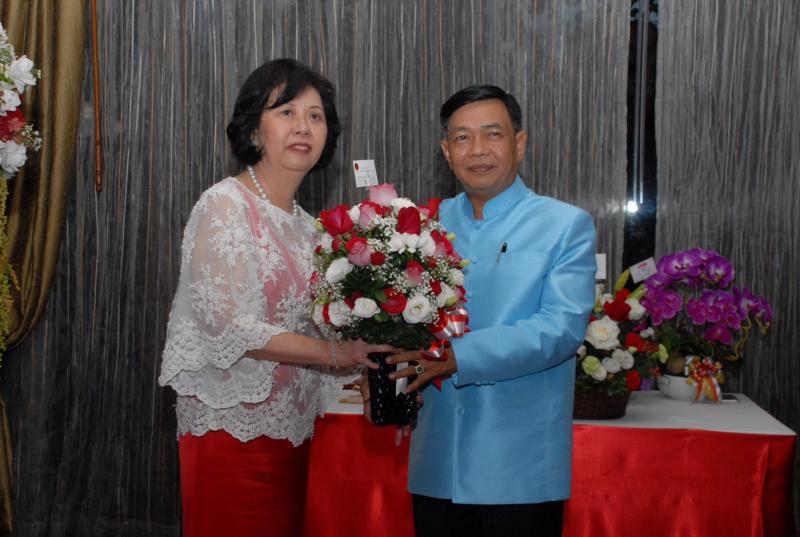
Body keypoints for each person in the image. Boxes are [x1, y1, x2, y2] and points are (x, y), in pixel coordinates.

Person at [159, 58, 392, 537]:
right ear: (253, 129)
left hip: (296, 437)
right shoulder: (225, 205)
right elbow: (231, 329)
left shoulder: (311, 229)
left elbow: (319, 332)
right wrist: (337, 353)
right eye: (286, 112)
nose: (303, 126)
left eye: (315, 116)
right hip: (232, 436)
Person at [384, 85, 597, 536]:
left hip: (518, 468)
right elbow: (407, 324)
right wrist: (397, 388)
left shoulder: (564, 224)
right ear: (446, 151)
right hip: (437, 460)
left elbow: (560, 328)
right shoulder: (424, 227)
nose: (477, 149)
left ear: (519, 143)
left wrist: (459, 356)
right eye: (462, 137)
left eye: (492, 134)